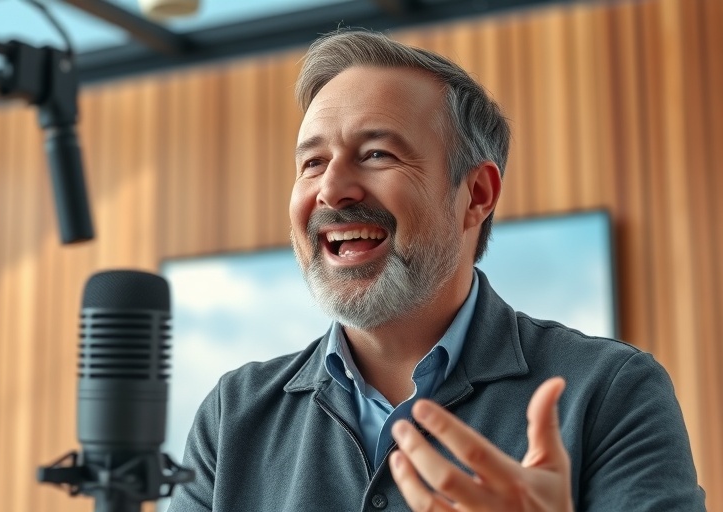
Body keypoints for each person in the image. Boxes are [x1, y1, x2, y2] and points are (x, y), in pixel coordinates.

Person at [168, 30, 705, 511]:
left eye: (376, 154)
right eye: (312, 163)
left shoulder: (611, 391)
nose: (331, 189)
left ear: (476, 194)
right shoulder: (232, 414)